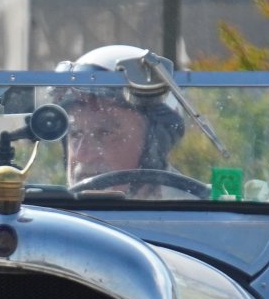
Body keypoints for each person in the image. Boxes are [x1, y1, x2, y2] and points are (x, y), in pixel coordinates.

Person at [52, 45, 186, 193]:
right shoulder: (47, 214)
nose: (83, 155)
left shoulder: (197, 212)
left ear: (155, 146)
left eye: (105, 133)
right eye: (75, 134)